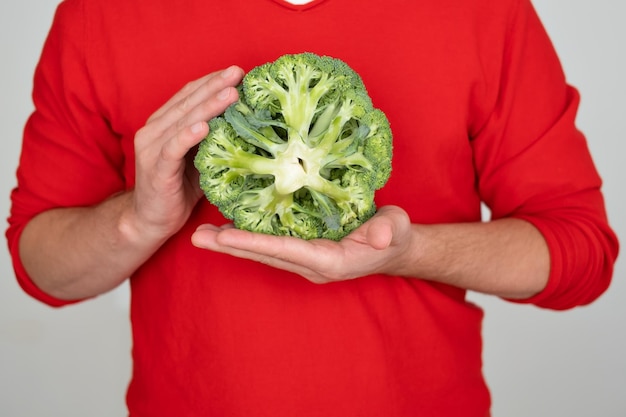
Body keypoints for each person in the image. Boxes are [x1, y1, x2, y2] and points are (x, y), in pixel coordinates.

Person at [6, 0, 619, 415]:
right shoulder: (103, 14)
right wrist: (139, 219)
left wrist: (411, 252)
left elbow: (580, 255)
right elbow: (42, 270)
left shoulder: (486, 12)